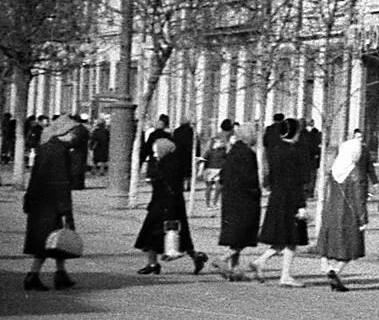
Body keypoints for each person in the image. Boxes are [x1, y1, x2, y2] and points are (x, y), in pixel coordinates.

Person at [134, 127, 209, 277]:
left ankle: (194, 257)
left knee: (173, 235)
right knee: (155, 234)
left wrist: (169, 208)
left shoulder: (170, 165)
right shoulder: (163, 161)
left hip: (168, 205)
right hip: (160, 203)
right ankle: (153, 263)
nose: (154, 153)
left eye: (156, 150)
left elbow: (170, 188)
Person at [252, 117, 313, 287]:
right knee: (292, 238)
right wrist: (301, 205)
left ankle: (261, 261)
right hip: (290, 198)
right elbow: (295, 181)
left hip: (277, 196)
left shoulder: (275, 150)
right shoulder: (293, 152)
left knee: (282, 236)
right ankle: (285, 275)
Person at [22, 116, 81, 291]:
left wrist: (29, 198)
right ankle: (33, 276)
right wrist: (65, 210)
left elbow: (35, 176)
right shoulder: (59, 152)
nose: (74, 137)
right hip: (51, 204)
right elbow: (60, 182)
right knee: (47, 241)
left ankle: (61, 274)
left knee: (57, 240)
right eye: (72, 133)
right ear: (63, 132)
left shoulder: (47, 147)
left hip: (40, 201)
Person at [312, 133, 368, 292]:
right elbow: (359, 198)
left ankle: (326, 265)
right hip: (349, 214)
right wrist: (363, 219)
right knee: (351, 247)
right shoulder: (355, 172)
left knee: (329, 242)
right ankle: (335, 272)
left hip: (332, 211)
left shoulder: (335, 168)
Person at [216, 121, 263, 279]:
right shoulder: (248, 154)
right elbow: (250, 178)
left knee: (235, 234)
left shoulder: (233, 151)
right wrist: (256, 191)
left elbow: (223, 175)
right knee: (245, 233)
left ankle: (235, 268)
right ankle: (223, 258)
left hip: (230, 198)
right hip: (245, 199)